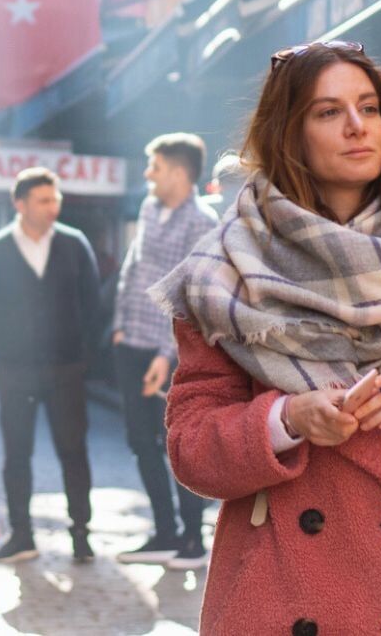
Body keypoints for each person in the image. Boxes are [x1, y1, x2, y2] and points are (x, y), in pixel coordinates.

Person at [150, 41, 381, 635]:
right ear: (289, 133)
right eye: (328, 112)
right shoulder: (225, 276)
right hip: (277, 592)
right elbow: (191, 450)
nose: (357, 125)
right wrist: (286, 420)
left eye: (369, 107)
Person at [0, 168, 101, 564]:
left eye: (55, 199)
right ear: (20, 203)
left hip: (66, 369)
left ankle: (81, 533)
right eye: (44, 200)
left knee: (74, 451)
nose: (52, 207)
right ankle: (21, 535)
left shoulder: (74, 244)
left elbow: (92, 304)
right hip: (15, 371)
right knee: (17, 453)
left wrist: (81, 356)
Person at [109, 133, 219, 569]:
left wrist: (164, 354)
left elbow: (191, 299)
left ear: (177, 171)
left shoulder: (202, 222)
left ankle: (192, 541)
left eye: (154, 167)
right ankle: (164, 532)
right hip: (130, 344)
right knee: (141, 442)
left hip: (171, 355)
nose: (148, 174)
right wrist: (119, 326)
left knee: (179, 443)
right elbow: (133, 267)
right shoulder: (149, 208)